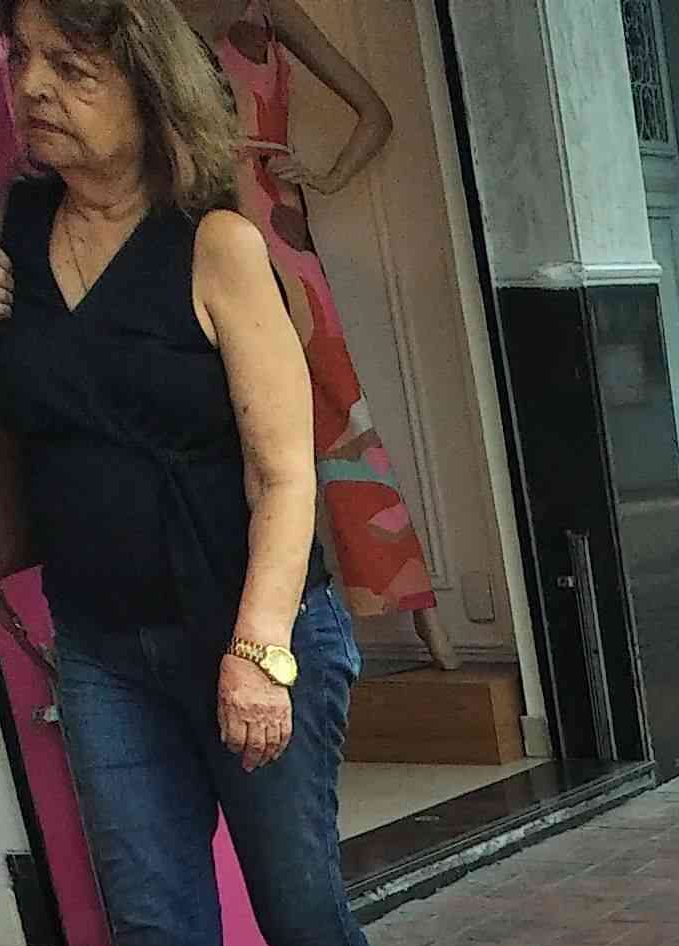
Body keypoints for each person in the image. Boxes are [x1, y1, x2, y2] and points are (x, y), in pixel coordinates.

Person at [0, 0, 460, 946]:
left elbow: (287, 471)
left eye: (71, 65)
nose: (35, 87)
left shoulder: (218, 245)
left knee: (297, 908)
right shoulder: (14, 242)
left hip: (255, 630)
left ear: (146, 83)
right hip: (104, 643)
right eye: (20, 60)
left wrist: (258, 653)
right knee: (158, 926)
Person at [196, 3, 446, 661]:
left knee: (337, 409)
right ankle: (254, 628)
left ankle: (417, 611)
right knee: (212, 420)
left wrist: (327, 177)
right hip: (186, 227)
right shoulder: (141, 16)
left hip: (270, 221)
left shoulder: (266, 8)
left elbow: (375, 113)